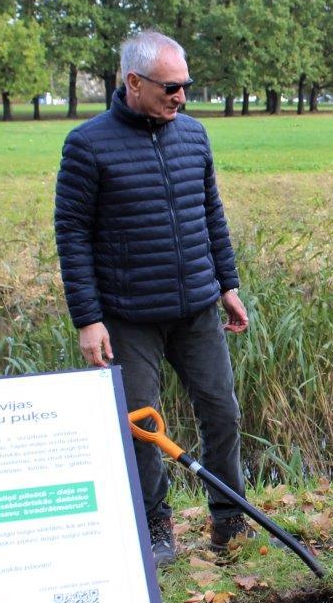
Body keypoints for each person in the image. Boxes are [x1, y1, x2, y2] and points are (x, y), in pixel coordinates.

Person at [55, 30, 252, 567]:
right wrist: (88, 319)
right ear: (133, 82)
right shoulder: (88, 144)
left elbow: (210, 213)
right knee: (142, 427)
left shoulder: (193, 136)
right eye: (171, 86)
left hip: (197, 308)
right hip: (129, 315)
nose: (181, 96)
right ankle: (156, 526)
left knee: (222, 411)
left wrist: (227, 285)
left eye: (186, 85)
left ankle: (229, 518)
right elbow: (71, 234)